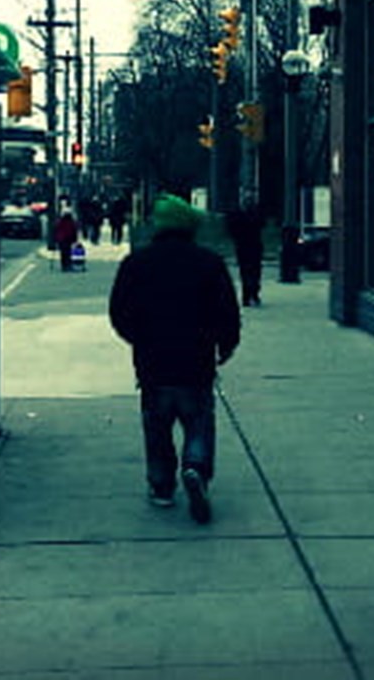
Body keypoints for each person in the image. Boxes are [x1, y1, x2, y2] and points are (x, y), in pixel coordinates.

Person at [108, 193, 241, 523]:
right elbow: (227, 311)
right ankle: (195, 467)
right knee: (198, 421)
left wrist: (137, 338)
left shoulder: (137, 263)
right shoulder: (209, 263)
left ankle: (162, 487)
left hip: (153, 362)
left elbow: (119, 311)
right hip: (196, 360)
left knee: (157, 427)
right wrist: (226, 344)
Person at [226, 195, 266, 307]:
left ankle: (250, 294)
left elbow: (230, 227)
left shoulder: (239, 214)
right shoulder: (252, 214)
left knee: (249, 271)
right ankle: (250, 294)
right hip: (249, 244)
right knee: (251, 271)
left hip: (246, 245)